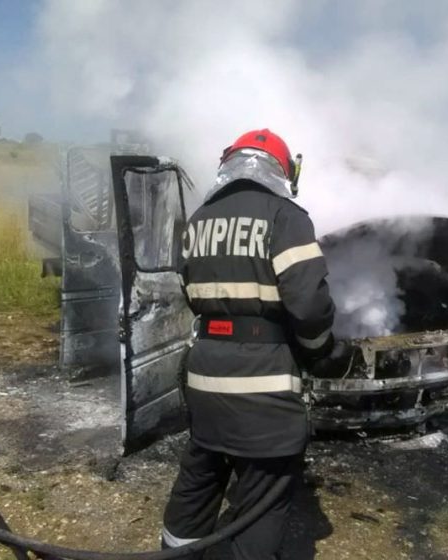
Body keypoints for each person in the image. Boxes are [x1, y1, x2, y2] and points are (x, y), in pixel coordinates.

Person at [161, 129, 339, 559]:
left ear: (229, 163)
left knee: (199, 480)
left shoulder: (200, 218)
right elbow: (309, 305)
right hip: (264, 385)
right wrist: (323, 353)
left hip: (204, 378)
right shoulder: (286, 216)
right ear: (282, 170)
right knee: (262, 501)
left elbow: (188, 290)